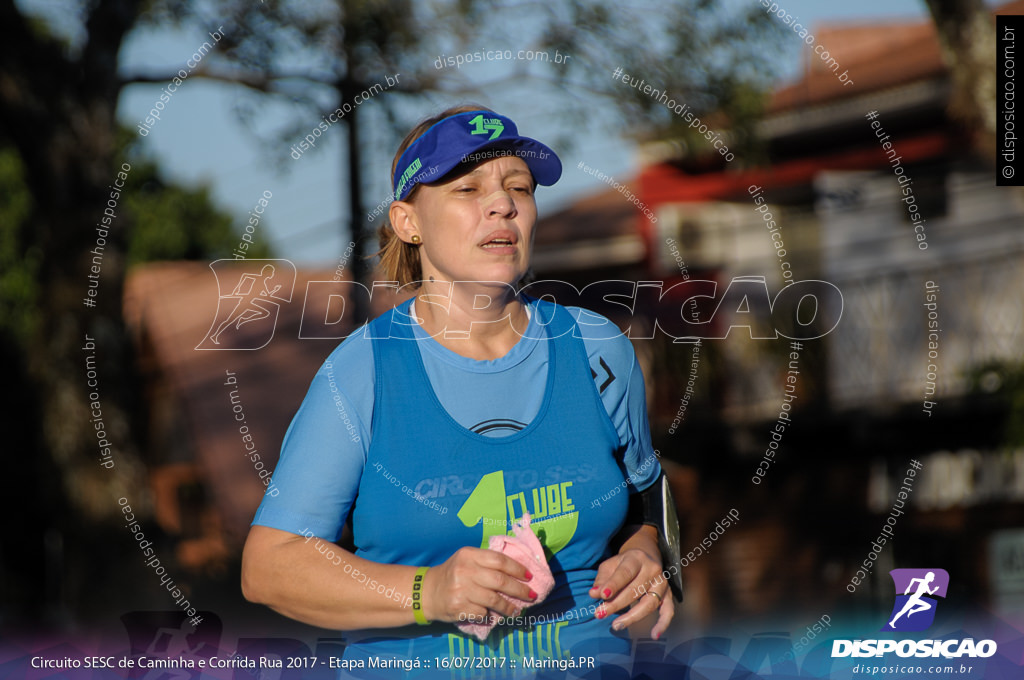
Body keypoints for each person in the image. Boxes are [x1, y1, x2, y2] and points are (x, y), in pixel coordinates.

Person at [241, 105, 675, 676]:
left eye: (519, 187)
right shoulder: (365, 371)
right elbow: (269, 568)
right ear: (407, 222)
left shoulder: (598, 348)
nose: (503, 204)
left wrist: (646, 553)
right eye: (468, 188)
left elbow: (647, 499)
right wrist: (431, 591)